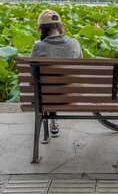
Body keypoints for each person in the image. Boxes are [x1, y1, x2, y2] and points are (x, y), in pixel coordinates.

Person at [30, 9, 82, 137]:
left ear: (42, 29)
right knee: (59, 82)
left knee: (47, 84)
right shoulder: (75, 44)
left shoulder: (37, 47)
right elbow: (80, 67)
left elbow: (32, 76)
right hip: (70, 95)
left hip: (46, 97)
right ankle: (54, 122)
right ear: (59, 26)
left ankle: (53, 122)